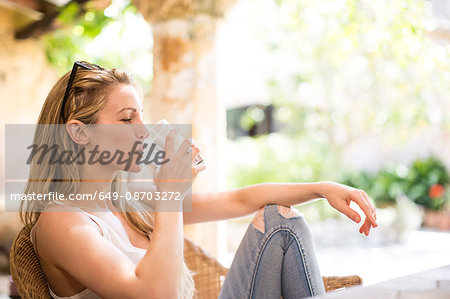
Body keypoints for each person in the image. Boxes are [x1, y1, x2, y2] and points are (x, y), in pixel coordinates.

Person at [20, 61, 377, 299]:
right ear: (79, 134)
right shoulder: (62, 222)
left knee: (281, 220)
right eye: (127, 120)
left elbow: (237, 200)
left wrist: (322, 188)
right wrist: (170, 196)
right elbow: (154, 294)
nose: (144, 131)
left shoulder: (127, 201)